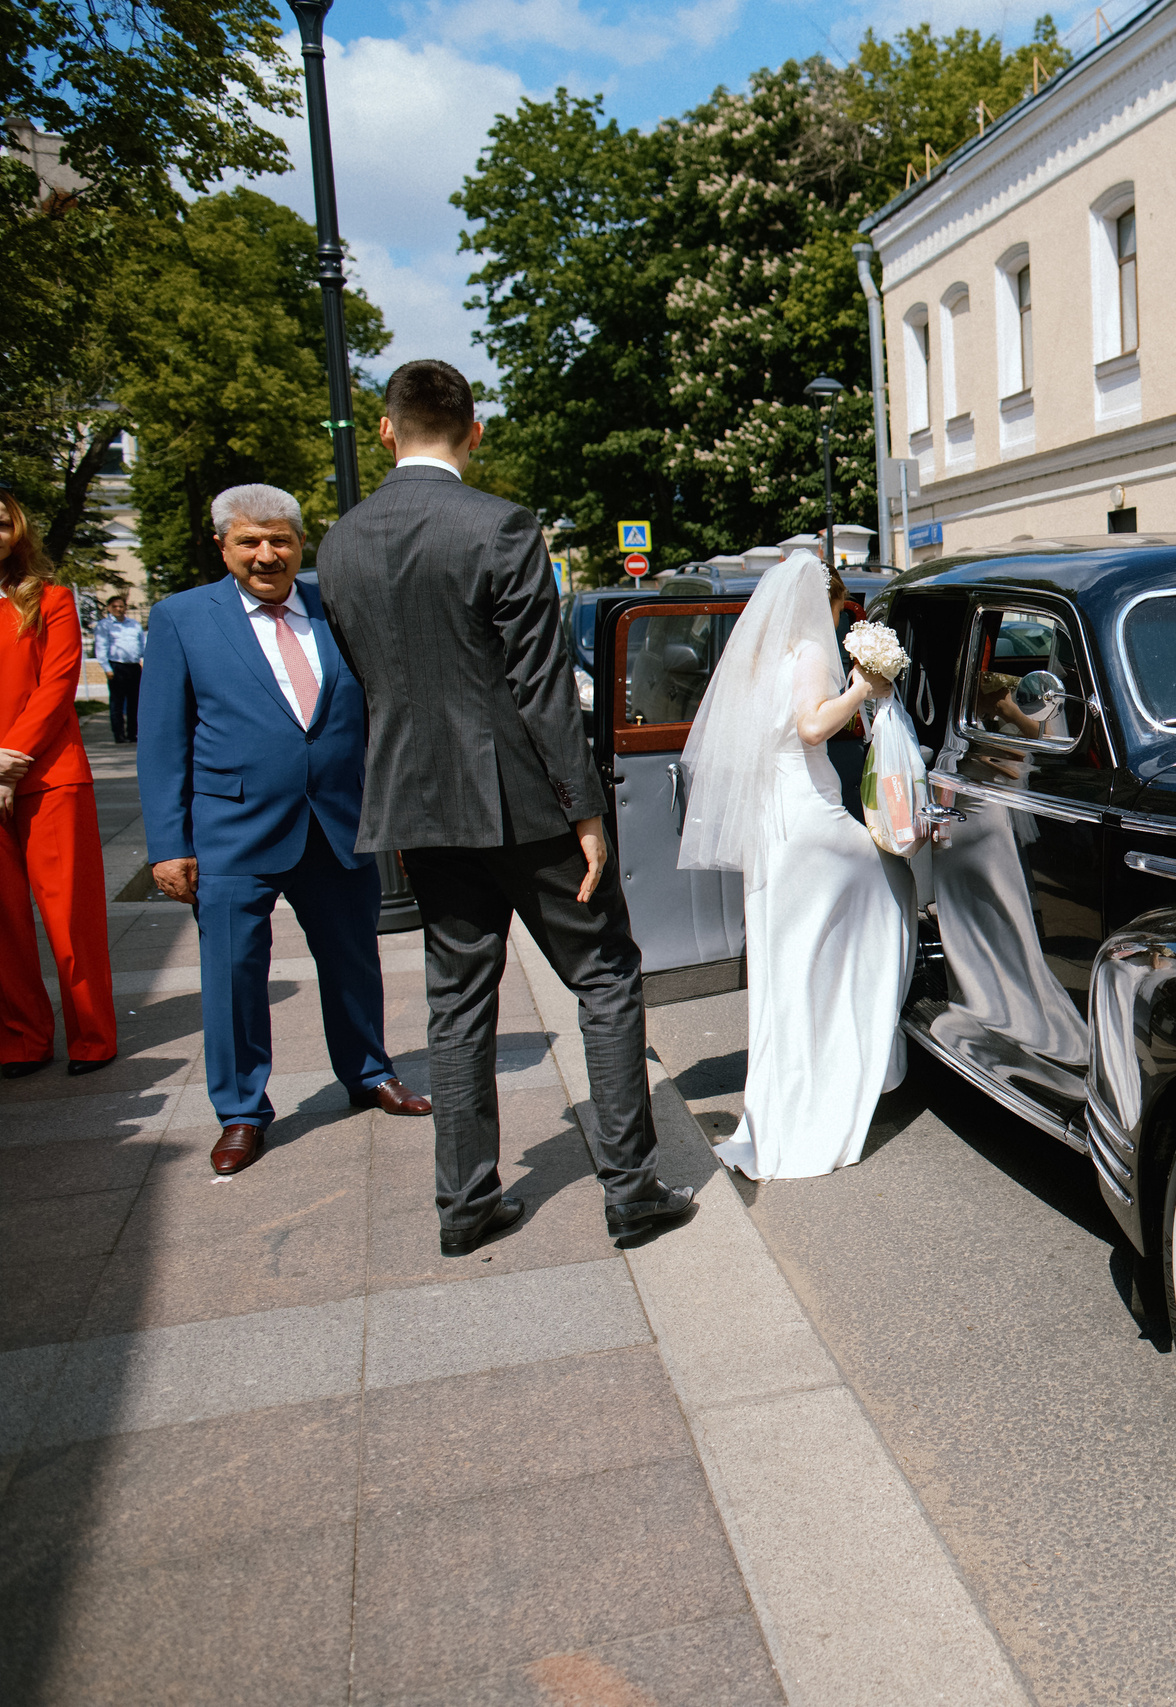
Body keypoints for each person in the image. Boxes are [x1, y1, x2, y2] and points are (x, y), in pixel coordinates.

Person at [318, 358, 693, 1256]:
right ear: (474, 430)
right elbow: (541, 685)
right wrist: (588, 809)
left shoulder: (340, 543)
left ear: (385, 429)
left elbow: (371, 678)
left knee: (456, 1001)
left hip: (421, 808)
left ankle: (465, 1203)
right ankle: (633, 1192)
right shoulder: (500, 526)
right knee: (603, 977)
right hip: (527, 804)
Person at [138, 484, 432, 1177]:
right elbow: (161, 739)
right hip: (231, 830)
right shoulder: (183, 617)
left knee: (355, 958)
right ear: (224, 546)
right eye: (250, 541)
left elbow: (380, 710)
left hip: (336, 821)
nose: (267, 554)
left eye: (281, 540)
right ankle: (241, 1111)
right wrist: (168, 844)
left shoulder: (338, 606)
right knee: (235, 974)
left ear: (301, 542)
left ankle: (368, 1072)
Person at [678, 551, 913, 1178]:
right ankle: (866, 1051)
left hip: (772, 823)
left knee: (786, 964)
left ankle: (787, 1103)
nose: (837, 624)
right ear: (825, 603)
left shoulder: (762, 657)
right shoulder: (811, 649)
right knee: (894, 884)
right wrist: (865, 687)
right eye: (838, 610)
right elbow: (812, 728)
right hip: (810, 819)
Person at [0, 481, 115, 1078]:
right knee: (4, 922)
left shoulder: (50, 600)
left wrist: (11, 754)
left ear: (16, 532)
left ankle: (92, 1036)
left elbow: (57, 683)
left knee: (71, 914)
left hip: (51, 774)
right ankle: (22, 1038)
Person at [91, 592, 144, 742]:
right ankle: (119, 734)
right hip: (116, 667)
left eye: (121, 606)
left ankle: (132, 733)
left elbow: (142, 644)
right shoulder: (104, 626)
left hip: (133, 666)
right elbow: (101, 647)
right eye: (115, 606)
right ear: (109, 608)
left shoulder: (134, 625)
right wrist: (107, 668)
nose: (119, 609)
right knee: (117, 703)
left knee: (135, 702)